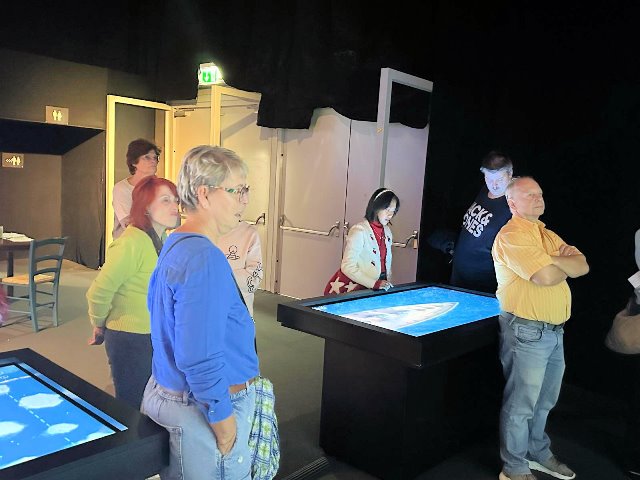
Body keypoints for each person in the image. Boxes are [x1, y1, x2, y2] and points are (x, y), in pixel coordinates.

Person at [141, 145, 259, 479]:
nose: (245, 200)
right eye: (238, 190)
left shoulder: (177, 242)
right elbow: (199, 356)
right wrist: (224, 425)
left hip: (173, 395)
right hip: (204, 409)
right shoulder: (203, 258)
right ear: (205, 194)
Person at [492, 176, 589, 480]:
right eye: (530, 195)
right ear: (512, 203)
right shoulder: (512, 236)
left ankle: (536, 451)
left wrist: (549, 260)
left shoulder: (545, 234)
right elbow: (545, 277)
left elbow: (582, 265)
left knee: (545, 400)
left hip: (554, 331)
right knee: (522, 404)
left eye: (540, 194)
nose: (538, 199)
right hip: (527, 332)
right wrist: (558, 263)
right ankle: (514, 467)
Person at [86, 176, 180, 409]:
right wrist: (99, 324)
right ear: (145, 207)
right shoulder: (131, 242)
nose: (174, 206)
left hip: (153, 333)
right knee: (131, 405)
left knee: (151, 400)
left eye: (175, 200)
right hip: (130, 337)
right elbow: (98, 292)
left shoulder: (160, 239)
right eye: (165, 200)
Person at [450, 150, 513, 293]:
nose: (494, 185)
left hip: (482, 285)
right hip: (460, 278)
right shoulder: (485, 190)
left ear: (510, 174)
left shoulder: (516, 203)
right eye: (489, 179)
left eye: (499, 180)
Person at [324, 188, 399, 295]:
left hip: (380, 285)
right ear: (376, 207)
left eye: (393, 211)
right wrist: (374, 284)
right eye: (387, 209)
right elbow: (347, 266)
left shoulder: (387, 231)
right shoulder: (359, 231)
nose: (390, 215)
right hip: (362, 287)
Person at [112, 138, 161, 240]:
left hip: (155, 244)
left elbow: (174, 220)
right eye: (147, 157)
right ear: (134, 162)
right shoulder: (122, 188)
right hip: (129, 244)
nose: (153, 161)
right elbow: (129, 224)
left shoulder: (161, 187)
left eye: (155, 157)